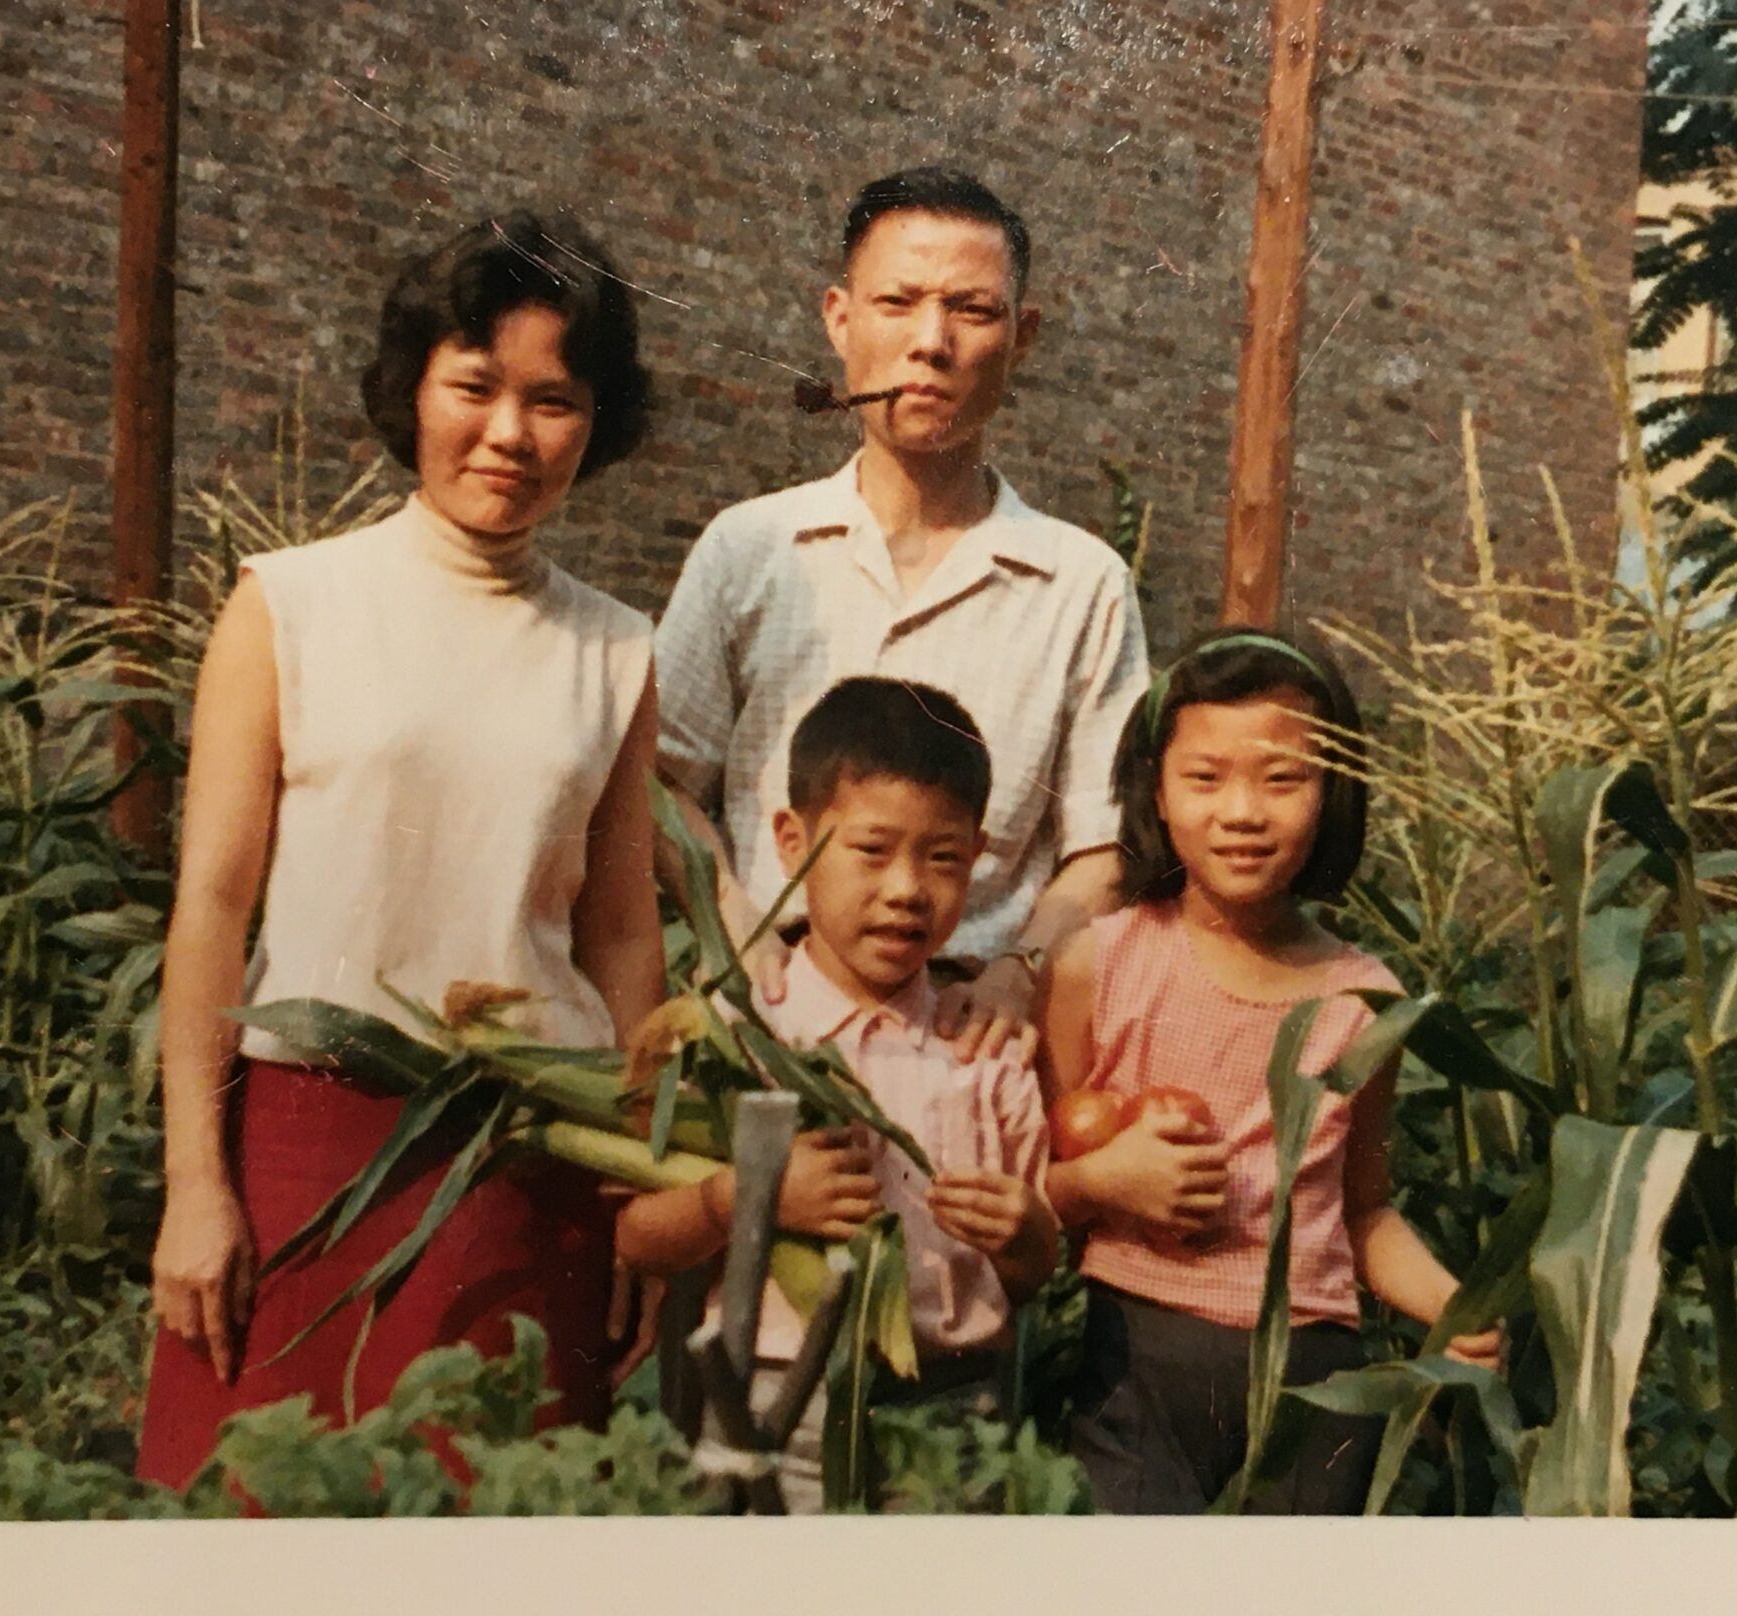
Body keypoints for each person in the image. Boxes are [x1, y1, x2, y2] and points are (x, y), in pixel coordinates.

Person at [134, 212, 667, 1492]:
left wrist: (644, 1199)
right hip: (302, 1151)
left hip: (529, 1167)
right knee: (256, 1520)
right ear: (413, 389)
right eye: (475, 386)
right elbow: (211, 906)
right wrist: (196, 1188)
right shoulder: (289, 605)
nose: (509, 435)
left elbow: (621, 935)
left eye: (554, 400)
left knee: (490, 1526)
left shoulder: (614, 652)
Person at [653, 167, 1149, 1040]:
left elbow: (1101, 847)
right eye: (899, 303)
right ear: (841, 319)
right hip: (769, 1020)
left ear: (1022, 336)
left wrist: (1016, 973)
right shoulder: (750, 550)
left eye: (973, 309)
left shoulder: (1083, 584)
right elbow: (661, 785)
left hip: (971, 1041)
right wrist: (732, 918)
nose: (932, 341)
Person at [1039, 628, 1503, 1514]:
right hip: (1134, 1365)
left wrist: (1453, 1302)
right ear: (1157, 793)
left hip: (1313, 1388)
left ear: (1333, 794)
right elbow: (1035, 1194)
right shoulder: (1099, 965)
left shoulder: (1364, 998)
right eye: (1205, 778)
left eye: (1283, 779)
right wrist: (1106, 1182)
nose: (1242, 812)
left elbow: (1360, 1207)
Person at [614, 677, 1059, 1511]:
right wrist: (749, 1200)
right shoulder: (741, 1031)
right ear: (791, 841)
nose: (906, 889)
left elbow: (1032, 1274)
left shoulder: (984, 1049)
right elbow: (639, 1237)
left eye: (944, 858)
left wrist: (1025, 1233)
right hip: (778, 1409)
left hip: (953, 1413)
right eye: (871, 850)